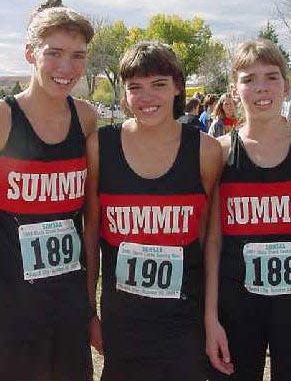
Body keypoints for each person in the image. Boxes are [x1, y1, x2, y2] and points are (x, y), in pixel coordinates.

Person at [0, 0, 96, 381]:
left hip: (66, 304)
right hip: (6, 306)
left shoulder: (86, 118)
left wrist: (89, 303)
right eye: (54, 54)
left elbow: (91, 218)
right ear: (30, 53)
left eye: (78, 56)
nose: (66, 68)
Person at [85, 41, 222, 381]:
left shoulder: (205, 151)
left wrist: (211, 316)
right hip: (123, 317)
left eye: (158, 85)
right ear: (124, 93)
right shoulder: (100, 147)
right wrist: (89, 310)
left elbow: (208, 240)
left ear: (177, 87)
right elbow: (90, 235)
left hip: (184, 317)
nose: (147, 98)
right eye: (135, 87)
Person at [205, 39, 291, 381]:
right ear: (234, 89)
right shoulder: (218, 152)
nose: (261, 87)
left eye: (271, 76)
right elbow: (214, 243)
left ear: (287, 85)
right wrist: (211, 320)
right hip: (236, 308)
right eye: (249, 78)